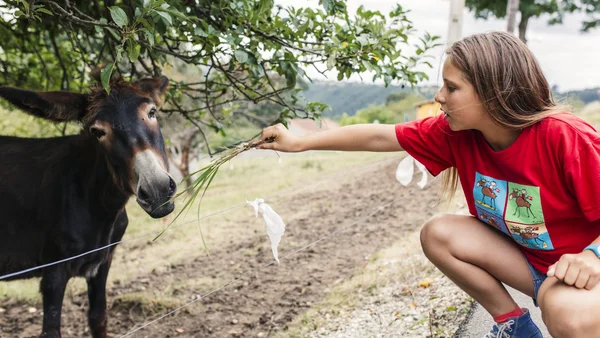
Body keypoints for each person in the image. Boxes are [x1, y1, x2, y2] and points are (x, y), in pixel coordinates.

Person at [258, 31, 600, 338]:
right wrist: (300, 142)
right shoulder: (455, 135)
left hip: (587, 276)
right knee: (439, 233)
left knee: (567, 317)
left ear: (494, 94)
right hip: (540, 269)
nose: (439, 96)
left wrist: (593, 255)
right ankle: (515, 328)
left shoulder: (565, 138)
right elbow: (380, 136)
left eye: (451, 88)